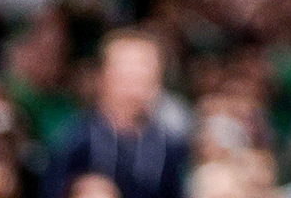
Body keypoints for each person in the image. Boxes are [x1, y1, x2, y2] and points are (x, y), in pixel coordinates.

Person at [42, 29, 190, 198]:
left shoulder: (168, 146)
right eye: (127, 70)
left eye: (145, 69)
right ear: (102, 76)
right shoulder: (75, 139)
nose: (137, 80)